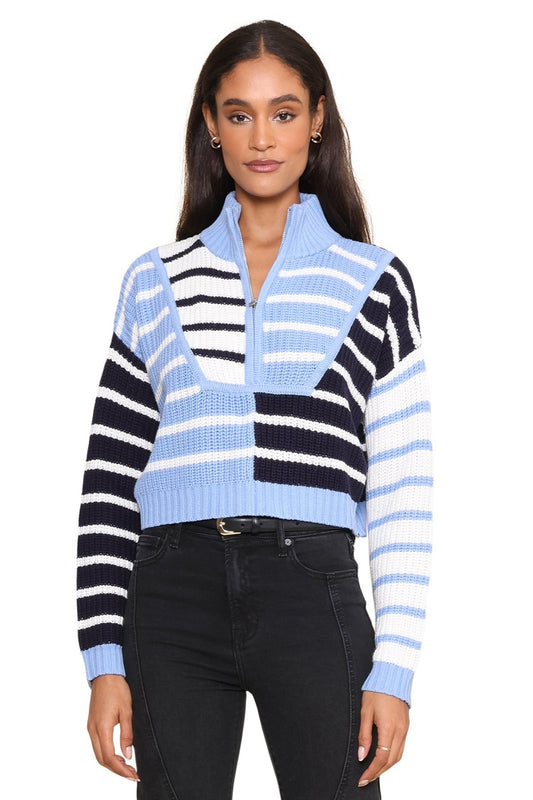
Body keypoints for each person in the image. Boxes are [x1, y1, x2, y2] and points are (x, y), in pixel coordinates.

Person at [77, 19, 433, 799]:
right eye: (239, 114)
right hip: (170, 595)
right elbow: (110, 479)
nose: (262, 138)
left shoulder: (374, 282)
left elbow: (403, 487)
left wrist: (394, 669)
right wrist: (103, 659)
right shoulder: (154, 281)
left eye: (283, 112)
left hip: (312, 590)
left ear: (317, 119)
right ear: (211, 124)